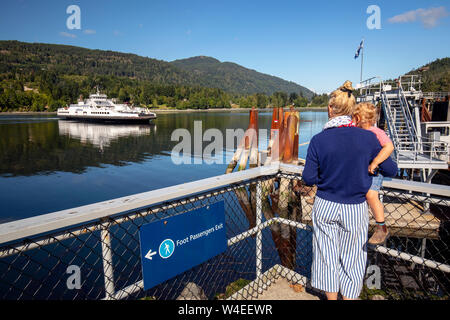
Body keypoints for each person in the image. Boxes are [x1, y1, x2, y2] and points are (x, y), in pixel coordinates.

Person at [302, 81, 397, 300]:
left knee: (327, 257)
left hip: (325, 204)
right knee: (353, 259)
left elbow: (308, 178)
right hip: (355, 208)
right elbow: (391, 169)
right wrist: (370, 165)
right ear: (352, 111)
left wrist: (325, 175)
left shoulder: (318, 140)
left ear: (329, 109)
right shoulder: (368, 138)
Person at [352, 102, 394, 245]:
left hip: (376, 170)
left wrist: (375, 162)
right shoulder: (357, 132)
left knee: (371, 194)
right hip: (363, 169)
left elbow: (389, 147)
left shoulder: (376, 132)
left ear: (359, 118)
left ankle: (381, 227)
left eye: (354, 117)